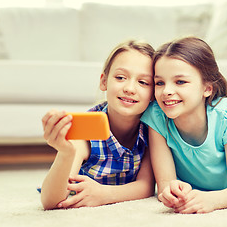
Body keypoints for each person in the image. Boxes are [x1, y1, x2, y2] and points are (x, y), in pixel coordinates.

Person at [141, 36, 227, 214]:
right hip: (190, 191)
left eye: (180, 82)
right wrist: (170, 192)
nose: (167, 91)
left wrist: (212, 200)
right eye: (159, 83)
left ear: (207, 88)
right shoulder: (156, 116)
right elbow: (165, 183)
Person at [40, 40, 155, 210]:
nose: (130, 88)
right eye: (120, 77)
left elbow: (146, 186)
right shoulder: (86, 130)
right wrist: (65, 153)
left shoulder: (151, 130)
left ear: (154, 93)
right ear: (104, 82)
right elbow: (50, 202)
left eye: (143, 82)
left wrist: (105, 195)